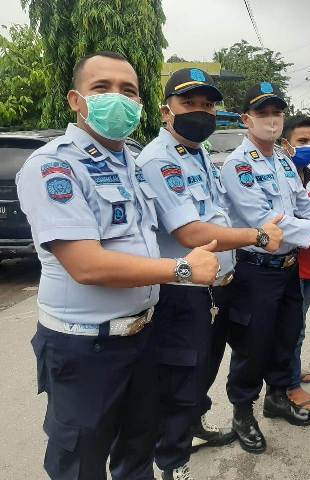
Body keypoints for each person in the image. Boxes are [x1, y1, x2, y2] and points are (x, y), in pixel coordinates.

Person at [16, 52, 220, 480]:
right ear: (76, 99)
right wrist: (181, 270)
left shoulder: (131, 162)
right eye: (102, 88)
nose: (118, 98)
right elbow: (86, 266)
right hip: (84, 347)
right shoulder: (54, 165)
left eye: (128, 91)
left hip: (143, 336)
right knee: (82, 463)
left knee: (137, 450)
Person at [135, 68, 284, 479]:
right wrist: (256, 235)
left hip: (212, 287)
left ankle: (193, 427)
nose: (201, 112)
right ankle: (173, 462)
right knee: (179, 378)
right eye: (190, 104)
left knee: (201, 369)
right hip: (179, 290)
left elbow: (214, 213)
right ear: (167, 112)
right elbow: (190, 232)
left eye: (208, 104)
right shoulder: (160, 160)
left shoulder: (197, 152)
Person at [220, 82, 310, 454]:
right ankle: (242, 411)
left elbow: (304, 205)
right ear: (246, 119)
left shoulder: (283, 160)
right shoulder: (239, 165)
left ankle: (278, 396)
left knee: (285, 334)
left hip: (287, 266)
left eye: (277, 113)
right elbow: (261, 219)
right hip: (254, 268)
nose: (271, 120)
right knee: (253, 345)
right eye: (263, 113)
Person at [280, 115, 310, 414]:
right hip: (288, 264)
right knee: (290, 327)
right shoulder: (280, 176)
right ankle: (289, 386)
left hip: (309, 263)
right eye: (302, 142)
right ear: (286, 145)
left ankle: (291, 372)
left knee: (299, 325)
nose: (308, 147)